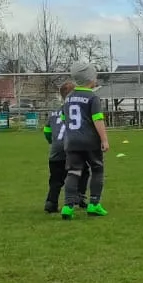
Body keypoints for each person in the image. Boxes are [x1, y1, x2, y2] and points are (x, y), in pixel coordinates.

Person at [59, 64, 109, 220]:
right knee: (97, 169)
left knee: (73, 172)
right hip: (90, 141)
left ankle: (67, 207)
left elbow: (64, 118)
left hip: (72, 141)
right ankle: (94, 204)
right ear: (90, 79)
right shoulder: (92, 98)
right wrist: (104, 140)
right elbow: (98, 120)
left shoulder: (68, 97)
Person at [43, 82, 90, 214]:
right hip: (72, 147)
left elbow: (46, 130)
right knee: (83, 170)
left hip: (56, 150)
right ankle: (79, 195)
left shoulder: (54, 113)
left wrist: (51, 142)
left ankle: (51, 202)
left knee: (56, 179)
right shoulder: (78, 110)